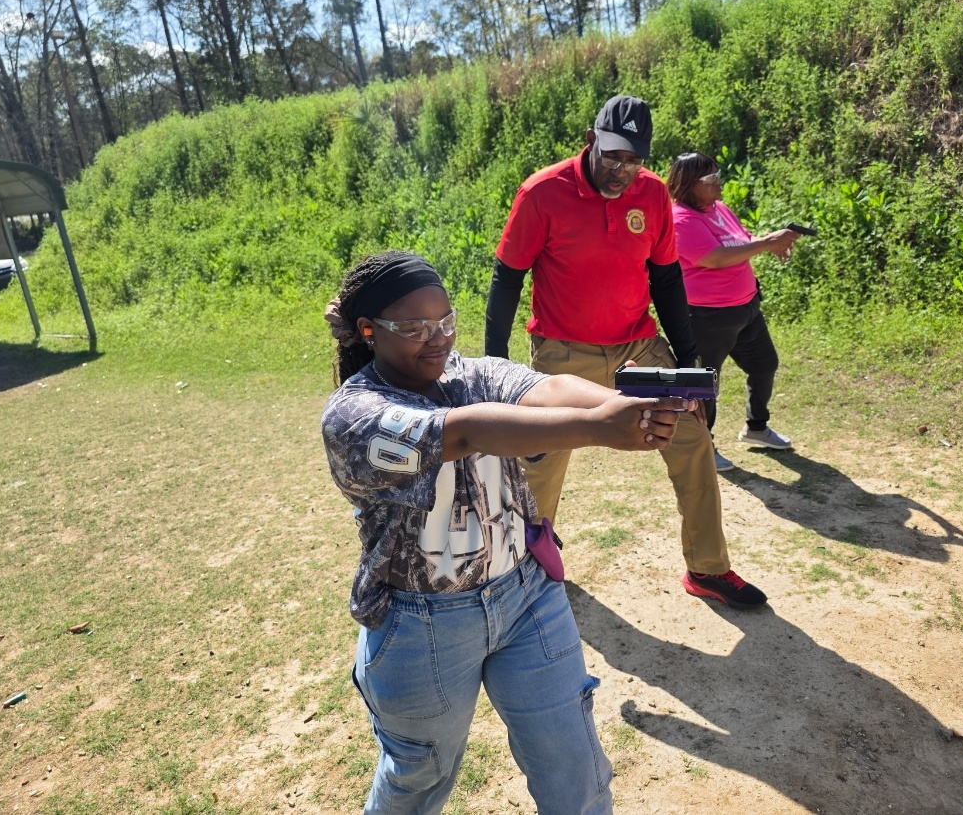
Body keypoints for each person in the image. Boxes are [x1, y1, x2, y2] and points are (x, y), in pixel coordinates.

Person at [322, 250, 694, 815]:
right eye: (415, 328)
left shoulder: (469, 374)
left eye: (445, 321)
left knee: (576, 769)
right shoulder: (353, 416)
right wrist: (600, 426)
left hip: (527, 595)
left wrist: (628, 405)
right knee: (419, 780)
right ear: (369, 330)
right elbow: (465, 433)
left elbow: (546, 388)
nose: (437, 339)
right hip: (422, 623)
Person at [484, 94, 769, 610]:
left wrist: (689, 363)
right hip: (563, 351)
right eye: (612, 156)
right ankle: (522, 568)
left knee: (692, 439)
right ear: (590, 141)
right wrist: (494, 366)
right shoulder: (542, 192)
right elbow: (507, 280)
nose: (622, 170)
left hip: (638, 346)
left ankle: (707, 568)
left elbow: (667, 280)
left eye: (633, 159)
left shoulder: (653, 193)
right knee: (538, 462)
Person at [666, 152, 800, 472]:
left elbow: (741, 242)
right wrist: (767, 242)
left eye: (718, 175)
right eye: (710, 179)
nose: (719, 182)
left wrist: (768, 242)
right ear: (688, 184)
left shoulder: (720, 209)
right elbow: (716, 257)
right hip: (707, 318)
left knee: (765, 364)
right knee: (704, 384)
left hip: (746, 309)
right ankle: (704, 446)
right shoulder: (681, 219)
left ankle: (756, 428)